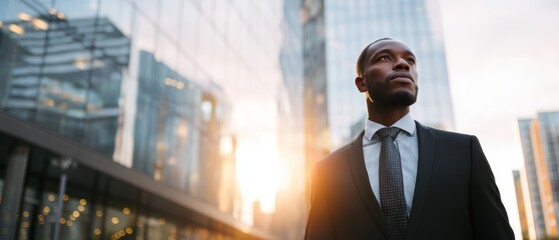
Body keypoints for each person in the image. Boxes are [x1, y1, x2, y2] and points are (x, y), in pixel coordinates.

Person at [304, 38, 514, 240]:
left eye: (410, 60)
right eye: (385, 58)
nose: (403, 64)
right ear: (362, 83)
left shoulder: (464, 152)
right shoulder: (327, 171)